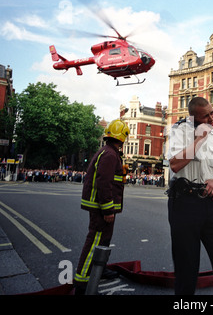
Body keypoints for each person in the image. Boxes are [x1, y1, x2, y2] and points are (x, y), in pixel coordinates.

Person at [167, 96, 213, 295]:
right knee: (186, 267)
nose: (211, 118)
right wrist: (199, 139)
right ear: (194, 117)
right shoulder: (179, 131)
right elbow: (175, 164)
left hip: (209, 204)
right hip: (184, 203)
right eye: (206, 116)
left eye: (212, 113)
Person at [73, 119, 129, 295]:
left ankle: (100, 268)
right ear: (122, 138)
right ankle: (82, 282)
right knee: (95, 241)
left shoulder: (108, 152)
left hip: (101, 206)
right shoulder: (110, 155)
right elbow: (104, 183)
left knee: (103, 239)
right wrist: (107, 209)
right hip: (101, 207)